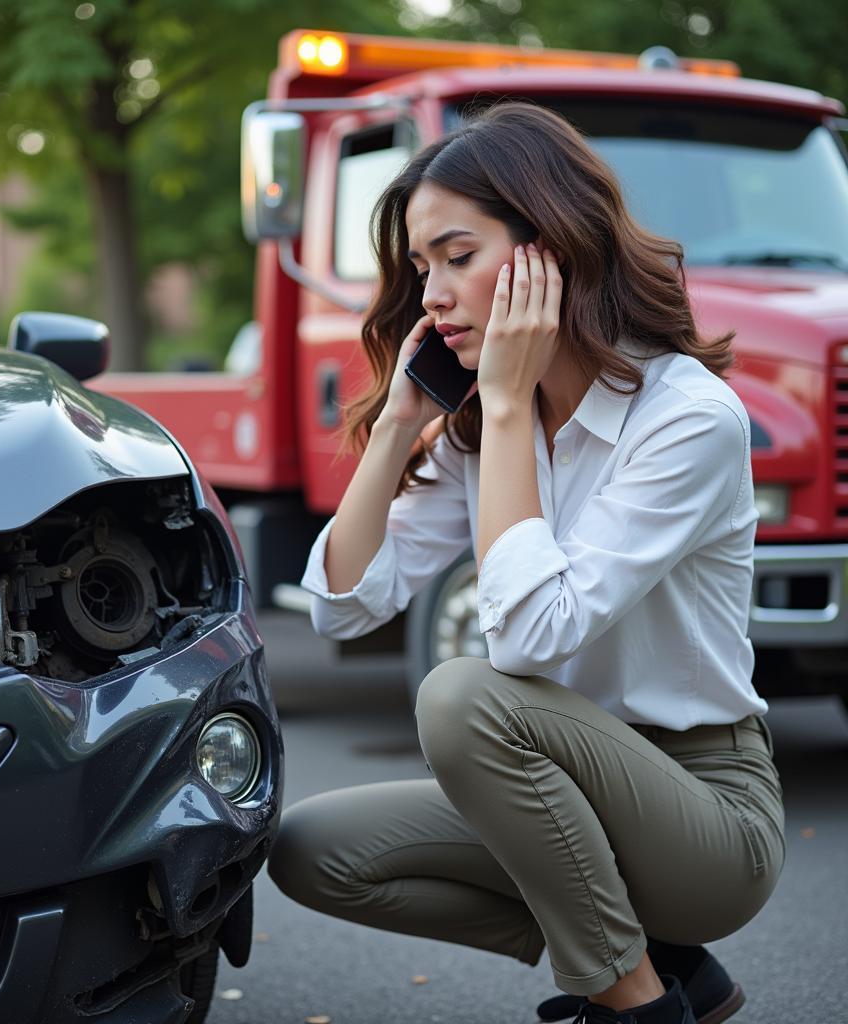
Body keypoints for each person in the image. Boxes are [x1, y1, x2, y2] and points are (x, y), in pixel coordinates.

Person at [266, 101, 786, 1024]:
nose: (430, 295)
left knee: (459, 694)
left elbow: (529, 642)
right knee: (312, 851)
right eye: (422, 267)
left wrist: (504, 410)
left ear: (552, 249)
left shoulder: (686, 420)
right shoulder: (480, 431)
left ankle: (632, 1005)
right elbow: (343, 608)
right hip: (562, 803)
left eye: (458, 258)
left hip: (706, 818)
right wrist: (394, 432)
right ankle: (662, 971)